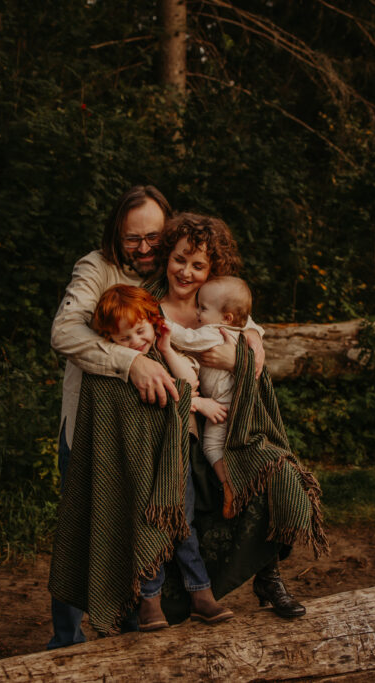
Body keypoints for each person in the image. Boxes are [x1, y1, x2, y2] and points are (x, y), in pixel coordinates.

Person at [147, 213, 324, 620]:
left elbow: (246, 333)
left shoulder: (217, 303)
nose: (186, 272)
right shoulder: (151, 303)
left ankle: (269, 575)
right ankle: (176, 596)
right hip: (179, 425)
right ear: (166, 258)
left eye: (198, 265)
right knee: (185, 493)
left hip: (232, 421)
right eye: (179, 260)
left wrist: (247, 348)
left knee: (273, 474)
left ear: (212, 271)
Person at [47, 184, 175, 649]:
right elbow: (64, 331)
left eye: (153, 237)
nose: (144, 249)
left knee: (152, 525)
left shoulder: (177, 265)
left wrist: (255, 333)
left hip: (158, 433)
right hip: (91, 429)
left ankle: (135, 637)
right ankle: (65, 645)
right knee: (82, 526)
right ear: (115, 235)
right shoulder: (95, 268)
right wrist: (130, 362)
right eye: (132, 239)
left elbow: (225, 305)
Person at [89, 284, 233, 630]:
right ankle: (149, 602)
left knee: (183, 527)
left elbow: (187, 381)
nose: (136, 341)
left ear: (154, 323)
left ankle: (201, 594)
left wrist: (166, 347)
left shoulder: (159, 354)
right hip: (140, 464)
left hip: (174, 461)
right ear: (111, 341)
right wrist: (197, 404)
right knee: (147, 526)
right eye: (125, 339)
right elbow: (174, 399)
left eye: (141, 331)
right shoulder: (119, 368)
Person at [166, 276, 254, 519]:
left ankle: (230, 485)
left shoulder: (214, 332)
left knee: (212, 446)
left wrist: (160, 322)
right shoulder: (236, 332)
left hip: (223, 405)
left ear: (225, 317)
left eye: (203, 308)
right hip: (233, 401)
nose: (197, 313)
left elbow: (184, 338)